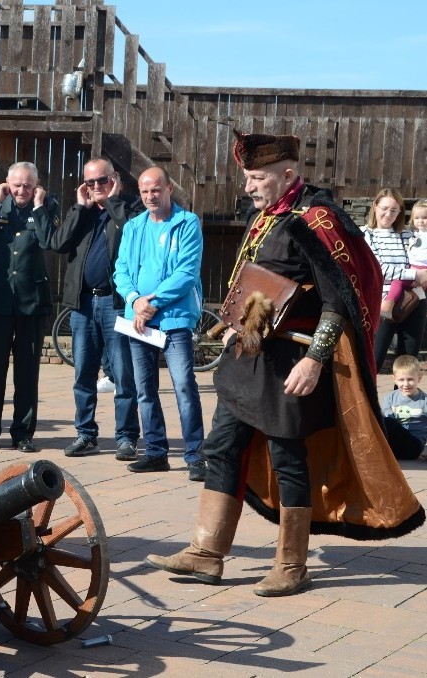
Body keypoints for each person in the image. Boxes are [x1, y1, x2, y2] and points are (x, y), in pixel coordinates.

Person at [145, 130, 424, 598]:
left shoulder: (316, 221)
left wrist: (315, 361)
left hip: (292, 363)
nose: (249, 187)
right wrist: (237, 322)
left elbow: (341, 303)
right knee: (222, 447)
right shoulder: (266, 217)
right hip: (248, 361)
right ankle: (205, 552)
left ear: (287, 174)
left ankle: (292, 565)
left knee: (287, 459)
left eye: (257, 178)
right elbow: (256, 283)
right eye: (248, 177)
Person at [113, 166, 206, 480]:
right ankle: (155, 452)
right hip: (138, 322)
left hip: (174, 320)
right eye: (144, 191)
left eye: (156, 190)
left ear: (169, 189)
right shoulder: (134, 226)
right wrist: (134, 299)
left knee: (183, 386)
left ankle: (195, 455)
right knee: (144, 389)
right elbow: (121, 270)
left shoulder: (187, 223)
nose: (150, 196)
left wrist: (151, 303)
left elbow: (186, 273)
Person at [48, 157, 142, 460]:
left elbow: (132, 236)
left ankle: (127, 437)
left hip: (117, 304)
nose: (97, 187)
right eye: (91, 182)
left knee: (123, 375)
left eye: (102, 180)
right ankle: (85, 435)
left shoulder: (131, 208)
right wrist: (79, 208)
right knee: (83, 375)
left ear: (115, 179)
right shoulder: (82, 213)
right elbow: (59, 243)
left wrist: (114, 201)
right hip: (83, 304)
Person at [0, 161, 59, 453]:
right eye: (17, 185)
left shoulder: (47, 206)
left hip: (32, 302)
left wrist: (38, 206)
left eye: (28, 186)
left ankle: (23, 433)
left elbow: (48, 240)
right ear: (7, 183)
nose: (22, 191)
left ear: (36, 186)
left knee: (27, 372)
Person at [363, 189, 427, 369]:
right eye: (385, 208)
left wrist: (422, 274)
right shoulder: (365, 235)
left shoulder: (408, 235)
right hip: (382, 304)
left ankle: (402, 398)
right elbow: (378, 270)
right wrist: (415, 274)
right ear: (375, 206)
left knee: (408, 363)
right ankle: (368, 397)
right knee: (373, 361)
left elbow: (422, 260)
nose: (389, 214)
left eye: (394, 210)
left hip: (414, 301)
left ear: (400, 212)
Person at [379, 199, 427, 320]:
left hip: (423, 269)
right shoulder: (412, 234)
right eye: (417, 218)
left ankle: (388, 305)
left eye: (425, 217)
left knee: (398, 280)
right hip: (412, 268)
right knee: (413, 293)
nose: (420, 221)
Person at [381, 354, 427, 460]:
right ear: (394, 379)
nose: (406, 384)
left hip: (413, 445)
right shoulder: (389, 398)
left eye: (410, 379)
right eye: (401, 380)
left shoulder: (424, 401)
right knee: (381, 420)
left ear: (419, 378)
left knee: (388, 422)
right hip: (394, 444)